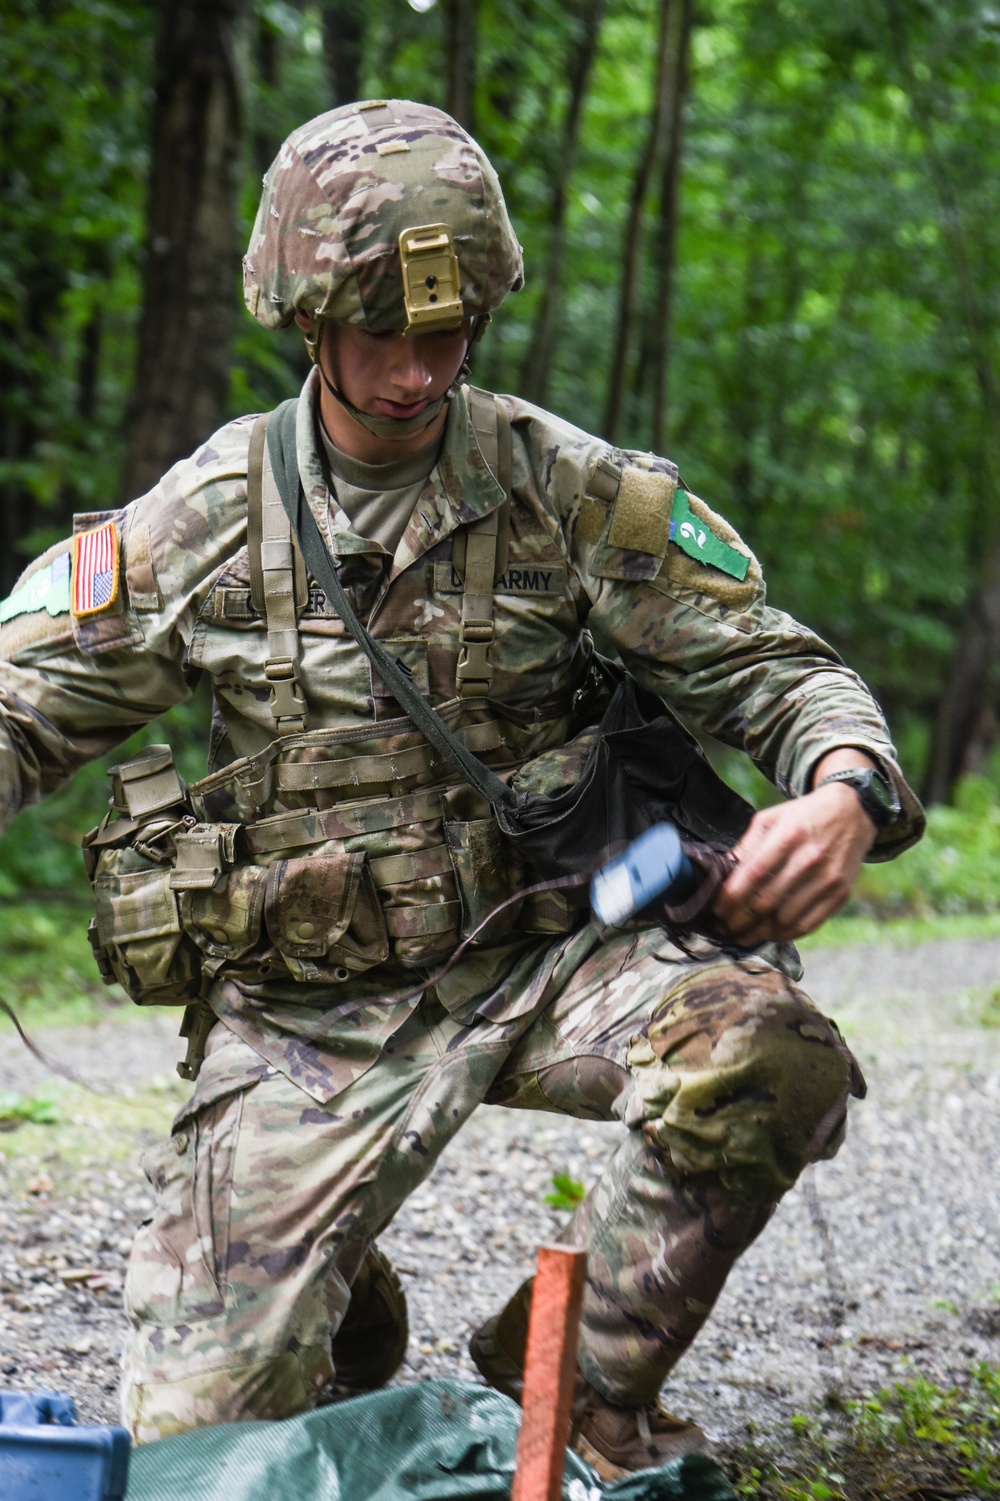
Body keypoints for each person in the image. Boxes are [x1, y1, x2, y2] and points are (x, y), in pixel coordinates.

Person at [0, 99, 923, 1476]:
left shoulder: (561, 489)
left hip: (551, 948)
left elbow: (774, 667)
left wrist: (844, 786)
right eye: (381, 332)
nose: (418, 371)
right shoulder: (206, 517)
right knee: (203, 1442)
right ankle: (336, 1302)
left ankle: (576, 1381)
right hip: (314, 1012)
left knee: (763, 1047)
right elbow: (20, 700)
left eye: (448, 332)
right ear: (307, 318)